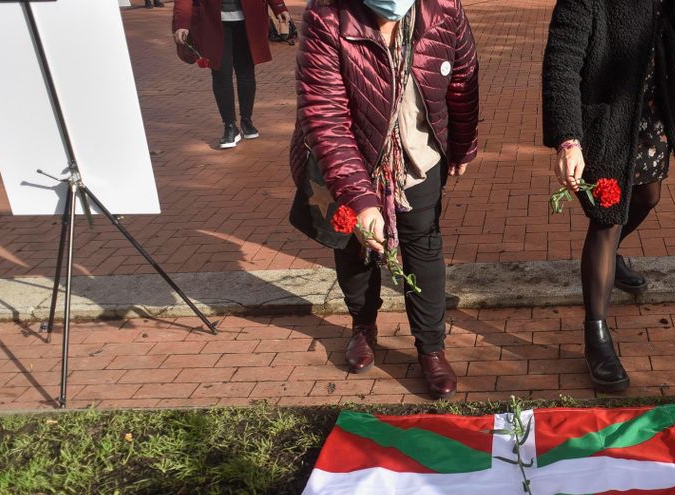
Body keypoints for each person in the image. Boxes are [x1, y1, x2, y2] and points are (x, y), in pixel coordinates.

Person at [291, 0, 479, 399]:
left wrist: (462, 145)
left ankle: (431, 348)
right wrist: (361, 200)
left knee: (424, 249)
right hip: (349, 160)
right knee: (356, 249)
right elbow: (324, 115)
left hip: (417, 156)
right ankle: (363, 325)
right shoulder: (327, 14)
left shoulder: (444, 8)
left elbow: (463, 79)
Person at [542, 0, 675, 392]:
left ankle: (610, 258)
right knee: (607, 218)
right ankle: (595, 336)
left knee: (648, 196)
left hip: (652, 108)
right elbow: (561, 60)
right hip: (606, 119)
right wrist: (568, 139)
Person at [172, 0, 292, 149]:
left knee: (246, 73)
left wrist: (279, 7)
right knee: (221, 73)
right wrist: (181, 22)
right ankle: (229, 125)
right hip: (212, 22)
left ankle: (247, 120)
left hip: (249, 19)